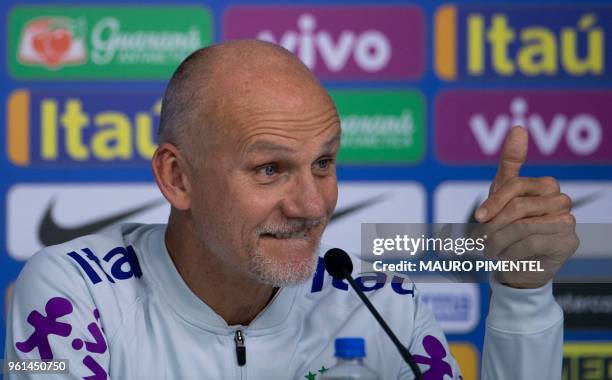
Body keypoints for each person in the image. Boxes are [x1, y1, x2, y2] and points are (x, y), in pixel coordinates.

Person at [4, 40, 578, 379]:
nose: (312, 205)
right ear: (177, 178)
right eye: (270, 169)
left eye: (324, 163)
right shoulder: (73, 294)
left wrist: (522, 295)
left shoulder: (379, 305)